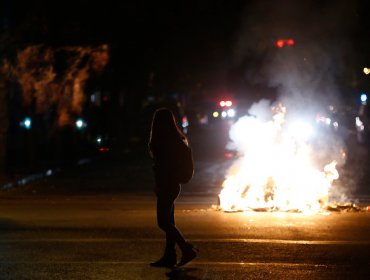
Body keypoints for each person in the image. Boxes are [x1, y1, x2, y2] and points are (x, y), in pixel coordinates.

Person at [148, 108, 198, 268]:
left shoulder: (162, 141)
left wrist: (158, 185)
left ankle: (186, 249)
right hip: (174, 185)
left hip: (166, 185)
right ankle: (169, 255)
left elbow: (162, 167)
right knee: (169, 221)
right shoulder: (177, 139)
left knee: (163, 222)